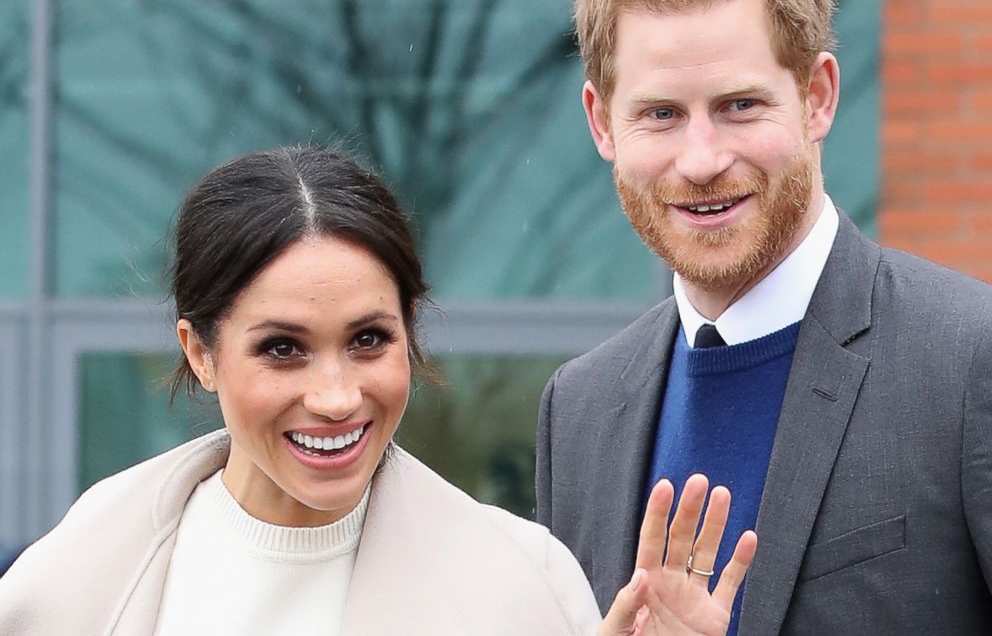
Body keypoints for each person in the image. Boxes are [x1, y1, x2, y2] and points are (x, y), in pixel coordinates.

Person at [0, 146, 754, 635]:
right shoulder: (71, 586)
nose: (335, 396)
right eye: (282, 349)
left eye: (368, 340)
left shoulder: (523, 586)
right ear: (200, 353)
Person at [536, 0, 992, 636]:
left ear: (817, 97)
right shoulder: (579, 410)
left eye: (741, 105)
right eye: (660, 114)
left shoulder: (970, 360)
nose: (703, 159)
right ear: (600, 122)